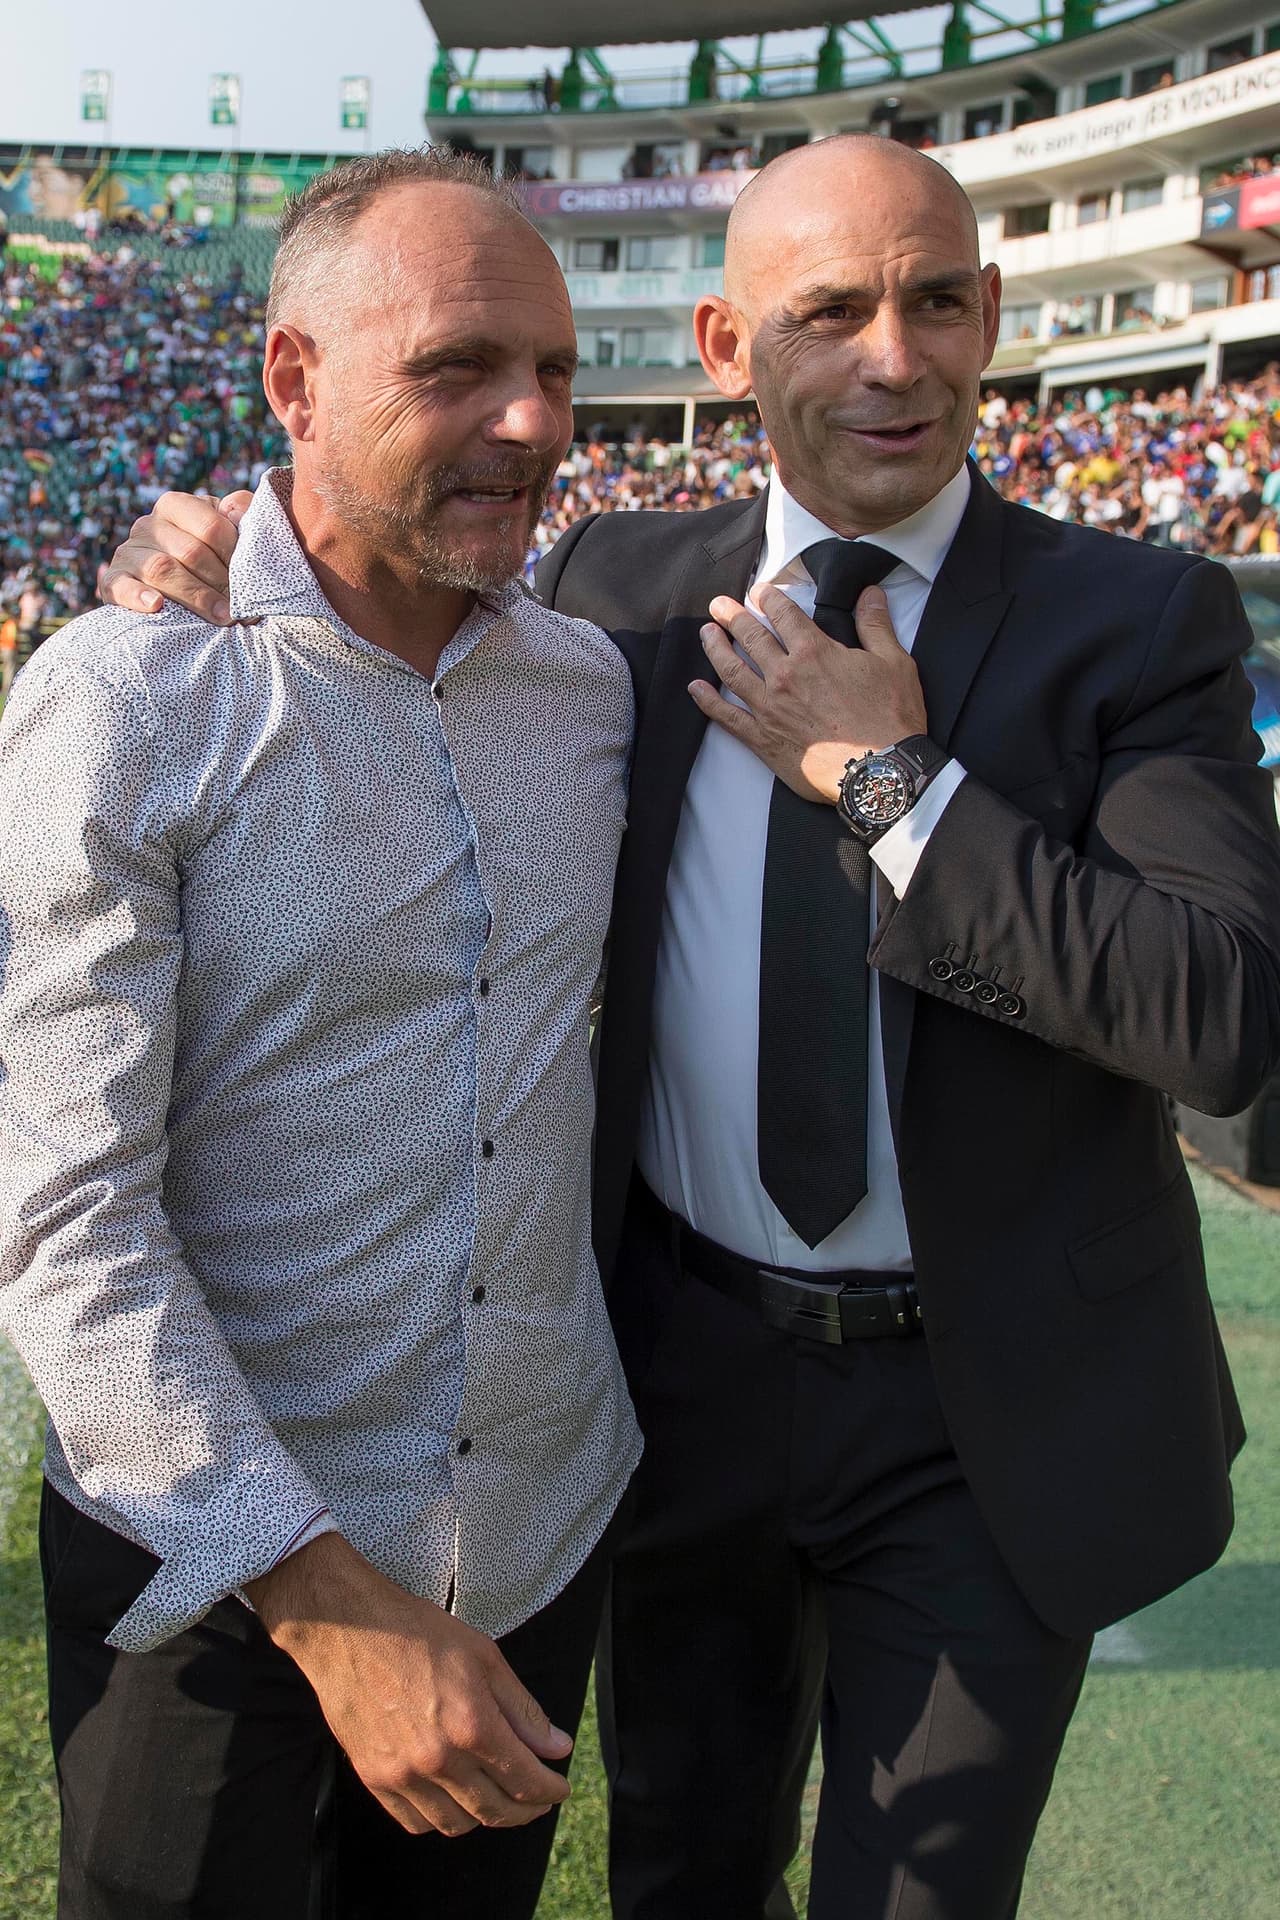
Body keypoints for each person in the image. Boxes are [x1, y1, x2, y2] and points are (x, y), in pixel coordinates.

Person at [102, 134, 1280, 1919]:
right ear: (729, 345)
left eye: (938, 300)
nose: (897, 356)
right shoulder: (610, 600)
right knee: (679, 1862)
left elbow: (1219, 1020)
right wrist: (202, 550)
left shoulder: (1139, 618)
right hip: (677, 1372)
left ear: (987, 324)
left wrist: (892, 786)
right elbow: (359, 587)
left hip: (981, 1409)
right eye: (832, 311)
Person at [0, 148, 641, 1920]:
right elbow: (63, 1222)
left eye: (557, 371)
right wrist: (332, 1606)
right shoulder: (132, 695)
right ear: (295, 378)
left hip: (531, 1538)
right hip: (210, 1578)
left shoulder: (593, 689)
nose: (527, 421)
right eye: (455, 369)